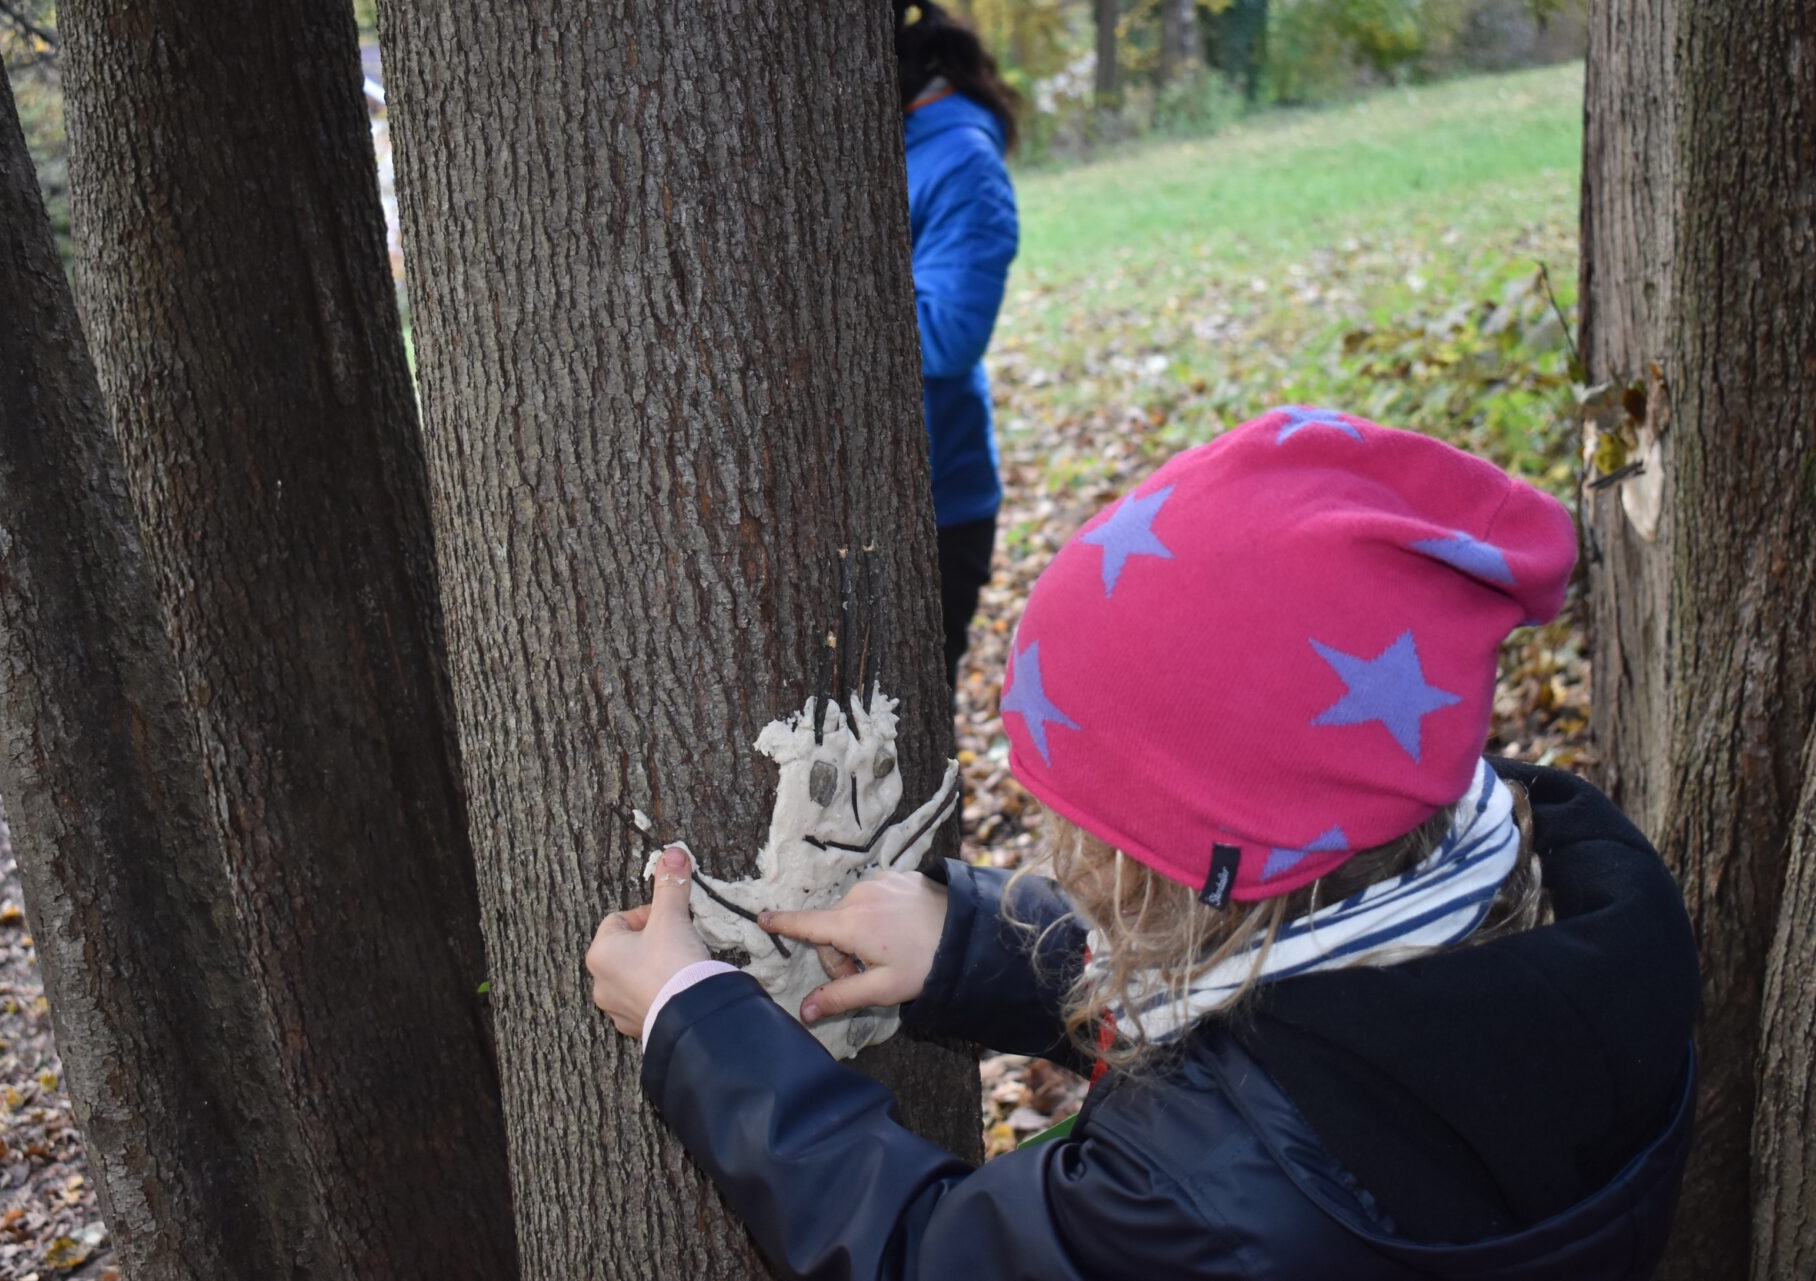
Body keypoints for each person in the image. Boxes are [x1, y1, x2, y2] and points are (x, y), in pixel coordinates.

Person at [587, 407, 1700, 1280]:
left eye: (1095, 831)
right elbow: (1290, 1029)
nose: (1062, 854)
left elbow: (926, 1254)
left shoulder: (1213, 1213)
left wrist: (697, 1026)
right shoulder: (1572, 917)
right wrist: (978, 946)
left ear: (1203, 882)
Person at [896, 1, 1021, 685]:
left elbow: (949, 335)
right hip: (863, 494)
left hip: (937, 506)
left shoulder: (962, 160)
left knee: (909, 741)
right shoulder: (903, 139)